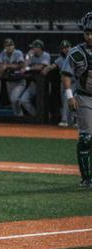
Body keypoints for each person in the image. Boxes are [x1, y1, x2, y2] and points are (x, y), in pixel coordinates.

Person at [61, 11, 92, 188]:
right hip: (85, 97)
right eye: (87, 33)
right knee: (86, 138)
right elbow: (66, 75)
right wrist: (70, 96)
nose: (90, 36)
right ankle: (86, 178)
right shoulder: (77, 52)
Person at [42, 40, 75, 127]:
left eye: (67, 47)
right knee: (65, 101)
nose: (66, 49)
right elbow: (53, 65)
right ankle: (65, 120)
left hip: (76, 83)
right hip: (65, 83)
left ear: (70, 47)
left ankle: (72, 121)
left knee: (76, 102)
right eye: (64, 48)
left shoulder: (76, 56)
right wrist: (47, 68)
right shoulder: (61, 59)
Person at [0, 38, 26, 116]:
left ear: (14, 46)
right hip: (9, 82)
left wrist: (7, 66)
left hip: (19, 81)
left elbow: (21, 65)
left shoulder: (18, 53)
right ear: (4, 47)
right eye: (7, 46)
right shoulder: (3, 54)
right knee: (13, 101)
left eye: (11, 45)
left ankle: (20, 116)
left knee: (14, 99)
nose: (9, 47)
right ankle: (17, 118)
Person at [18, 39, 51, 116]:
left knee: (45, 102)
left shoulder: (46, 55)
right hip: (34, 83)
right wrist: (27, 57)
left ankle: (46, 118)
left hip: (44, 84)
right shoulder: (31, 55)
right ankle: (36, 116)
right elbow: (24, 68)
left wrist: (29, 68)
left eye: (34, 48)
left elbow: (40, 67)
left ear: (39, 48)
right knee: (23, 100)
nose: (32, 49)